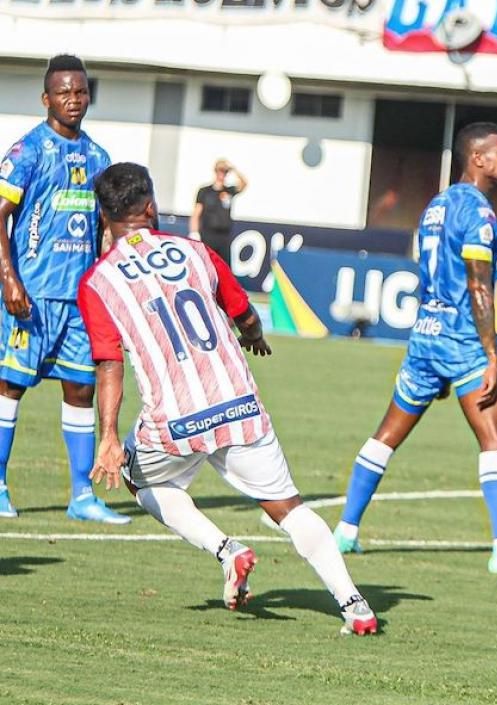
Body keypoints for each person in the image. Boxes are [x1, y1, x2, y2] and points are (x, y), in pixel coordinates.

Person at [81, 162, 377, 635]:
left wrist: (109, 436)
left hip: (173, 420)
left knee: (141, 482)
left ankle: (226, 549)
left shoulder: (98, 282)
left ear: (103, 216)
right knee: (288, 509)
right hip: (238, 403)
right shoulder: (196, 251)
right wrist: (253, 336)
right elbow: (243, 311)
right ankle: (354, 604)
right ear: (151, 207)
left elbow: (109, 363)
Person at [331, 123, 497, 578]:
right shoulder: (480, 214)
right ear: (477, 158)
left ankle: (346, 531)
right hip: (463, 339)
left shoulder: (436, 205)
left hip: (425, 336)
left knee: (387, 433)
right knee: (496, 438)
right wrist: (491, 353)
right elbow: (479, 285)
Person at [0, 55, 127, 523]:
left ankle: (82, 496)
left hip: (80, 299)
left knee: (81, 389)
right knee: (10, 386)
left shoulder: (98, 157)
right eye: (64, 93)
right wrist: (8, 277)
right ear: (46, 98)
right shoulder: (28, 150)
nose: (73, 100)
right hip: (30, 294)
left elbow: (107, 230)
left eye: (80, 92)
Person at [190, 159, 248, 265]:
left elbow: (244, 184)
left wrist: (233, 169)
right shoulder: (205, 191)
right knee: (207, 264)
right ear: (215, 171)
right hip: (208, 234)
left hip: (224, 236)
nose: (222, 173)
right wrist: (194, 232)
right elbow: (196, 214)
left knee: (224, 266)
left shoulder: (229, 191)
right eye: (220, 170)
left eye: (225, 171)